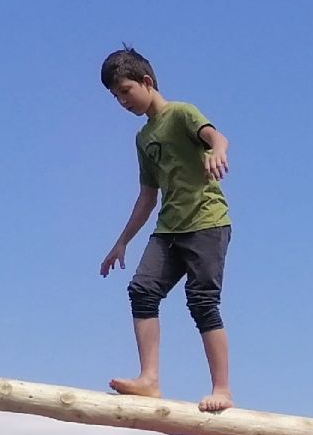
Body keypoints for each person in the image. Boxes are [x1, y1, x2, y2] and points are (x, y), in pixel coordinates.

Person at [98, 46, 235, 412]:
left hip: (207, 221)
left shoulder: (181, 114)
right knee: (142, 290)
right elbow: (147, 195)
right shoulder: (143, 139)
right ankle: (149, 379)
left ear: (146, 81)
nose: (121, 102)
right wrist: (121, 241)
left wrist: (216, 151)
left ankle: (222, 389)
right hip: (169, 226)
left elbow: (217, 137)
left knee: (202, 301)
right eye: (115, 97)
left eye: (125, 91)